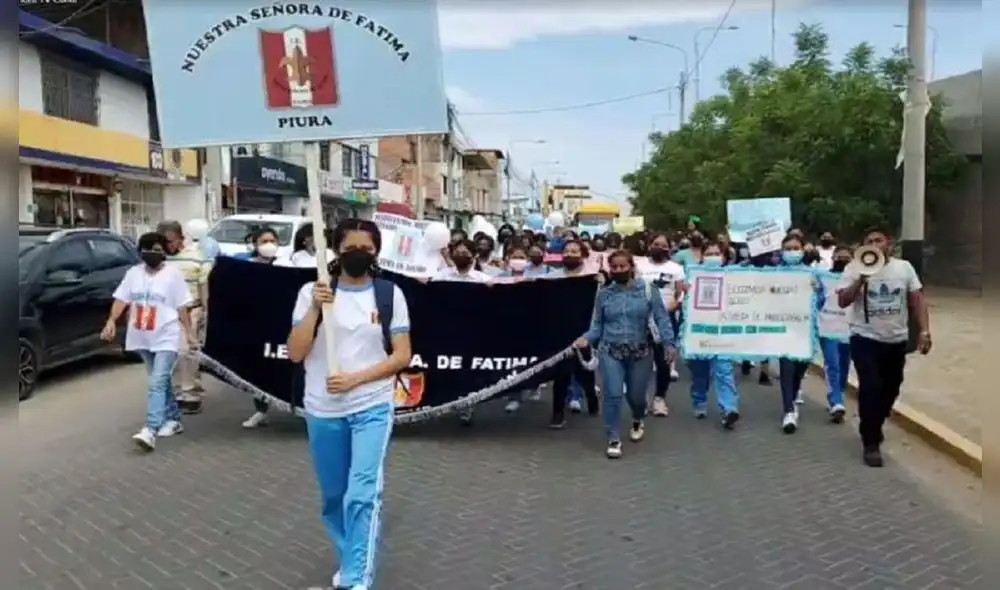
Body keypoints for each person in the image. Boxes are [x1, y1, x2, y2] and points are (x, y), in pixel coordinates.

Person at [286, 218, 411, 588]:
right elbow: (295, 352)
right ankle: (351, 557)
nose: (358, 255)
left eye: (366, 249)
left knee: (361, 494)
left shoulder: (389, 295)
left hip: (371, 404)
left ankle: (358, 577)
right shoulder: (312, 292)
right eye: (350, 248)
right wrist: (315, 309)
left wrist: (356, 379)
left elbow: (402, 355)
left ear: (377, 253)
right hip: (323, 408)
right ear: (337, 251)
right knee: (334, 496)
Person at [837, 227, 930, 467]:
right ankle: (870, 442)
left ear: (889, 244)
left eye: (879, 240)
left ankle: (876, 418)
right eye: (869, 241)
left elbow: (917, 299)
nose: (874, 244)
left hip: (895, 340)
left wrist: (924, 330)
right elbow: (843, 301)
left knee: (891, 388)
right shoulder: (853, 269)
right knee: (871, 387)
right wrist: (861, 279)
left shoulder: (904, 268)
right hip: (864, 338)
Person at [574, 250, 676, 458]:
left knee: (636, 397)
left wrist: (669, 344)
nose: (618, 270)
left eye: (623, 266)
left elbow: (662, 318)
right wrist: (586, 339)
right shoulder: (604, 294)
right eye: (614, 267)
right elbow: (597, 325)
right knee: (613, 394)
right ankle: (613, 437)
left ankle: (637, 417)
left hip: (641, 351)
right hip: (610, 350)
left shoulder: (648, 291)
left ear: (631, 267)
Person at [100, 232, 194, 450]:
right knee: (159, 380)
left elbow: (182, 306)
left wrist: (189, 333)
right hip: (142, 335)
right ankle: (173, 418)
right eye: (148, 249)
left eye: (158, 249)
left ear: (165, 251)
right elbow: (121, 299)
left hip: (166, 334)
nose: (153, 253)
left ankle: (150, 429)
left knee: (156, 382)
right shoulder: (133, 273)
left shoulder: (173, 275)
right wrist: (111, 321)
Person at [681, 240, 742, 427]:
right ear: (702, 257)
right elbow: (682, 303)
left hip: (723, 334)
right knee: (700, 373)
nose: (713, 257)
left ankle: (729, 409)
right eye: (709, 254)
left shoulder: (734, 277)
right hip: (699, 334)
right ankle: (699, 401)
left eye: (716, 253)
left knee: (724, 371)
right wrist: (685, 292)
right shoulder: (691, 276)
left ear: (723, 256)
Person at [157, 220, 212, 414]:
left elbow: (203, 285)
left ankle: (191, 393)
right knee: (169, 354)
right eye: (164, 242)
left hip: (191, 310)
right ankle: (175, 392)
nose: (168, 245)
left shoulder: (197, 257)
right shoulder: (159, 258)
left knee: (187, 352)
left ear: (180, 238)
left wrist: (205, 310)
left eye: (170, 241)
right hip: (165, 312)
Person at [549, 239, 601, 419]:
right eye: (566, 251)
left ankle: (591, 399)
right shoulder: (553, 277)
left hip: (583, 331)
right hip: (560, 331)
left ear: (583, 255)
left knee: (584, 372)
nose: (569, 254)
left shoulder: (591, 277)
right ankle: (557, 413)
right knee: (560, 373)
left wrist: (602, 282)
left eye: (574, 251)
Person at [637, 233, 685, 417]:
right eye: (656, 244)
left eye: (663, 245)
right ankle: (640, 398)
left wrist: (674, 305)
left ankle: (659, 398)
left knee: (663, 361)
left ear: (669, 248)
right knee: (639, 361)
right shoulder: (639, 265)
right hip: (640, 318)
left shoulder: (676, 268)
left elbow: (680, 292)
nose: (659, 247)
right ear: (649, 245)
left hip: (665, 318)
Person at [241, 227, 283, 429]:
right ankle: (261, 410)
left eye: (272, 241)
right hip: (256, 323)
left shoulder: (285, 265)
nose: (269, 245)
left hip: (280, 323)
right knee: (258, 368)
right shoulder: (247, 267)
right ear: (255, 244)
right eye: (264, 241)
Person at [776, 233, 813, 433]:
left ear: (803, 250)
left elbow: (822, 301)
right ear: (782, 252)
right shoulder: (773, 274)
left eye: (795, 248)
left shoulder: (812, 274)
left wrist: (817, 290)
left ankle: (793, 393)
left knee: (799, 369)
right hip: (783, 329)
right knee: (787, 368)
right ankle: (788, 411)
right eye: (788, 249)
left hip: (805, 330)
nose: (792, 252)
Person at [817, 244, 853, 424]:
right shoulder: (822, 276)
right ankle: (836, 401)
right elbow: (816, 300)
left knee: (844, 365)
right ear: (833, 258)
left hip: (849, 330)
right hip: (827, 328)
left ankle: (838, 395)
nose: (842, 261)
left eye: (846, 258)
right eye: (839, 257)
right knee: (833, 364)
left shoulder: (855, 280)